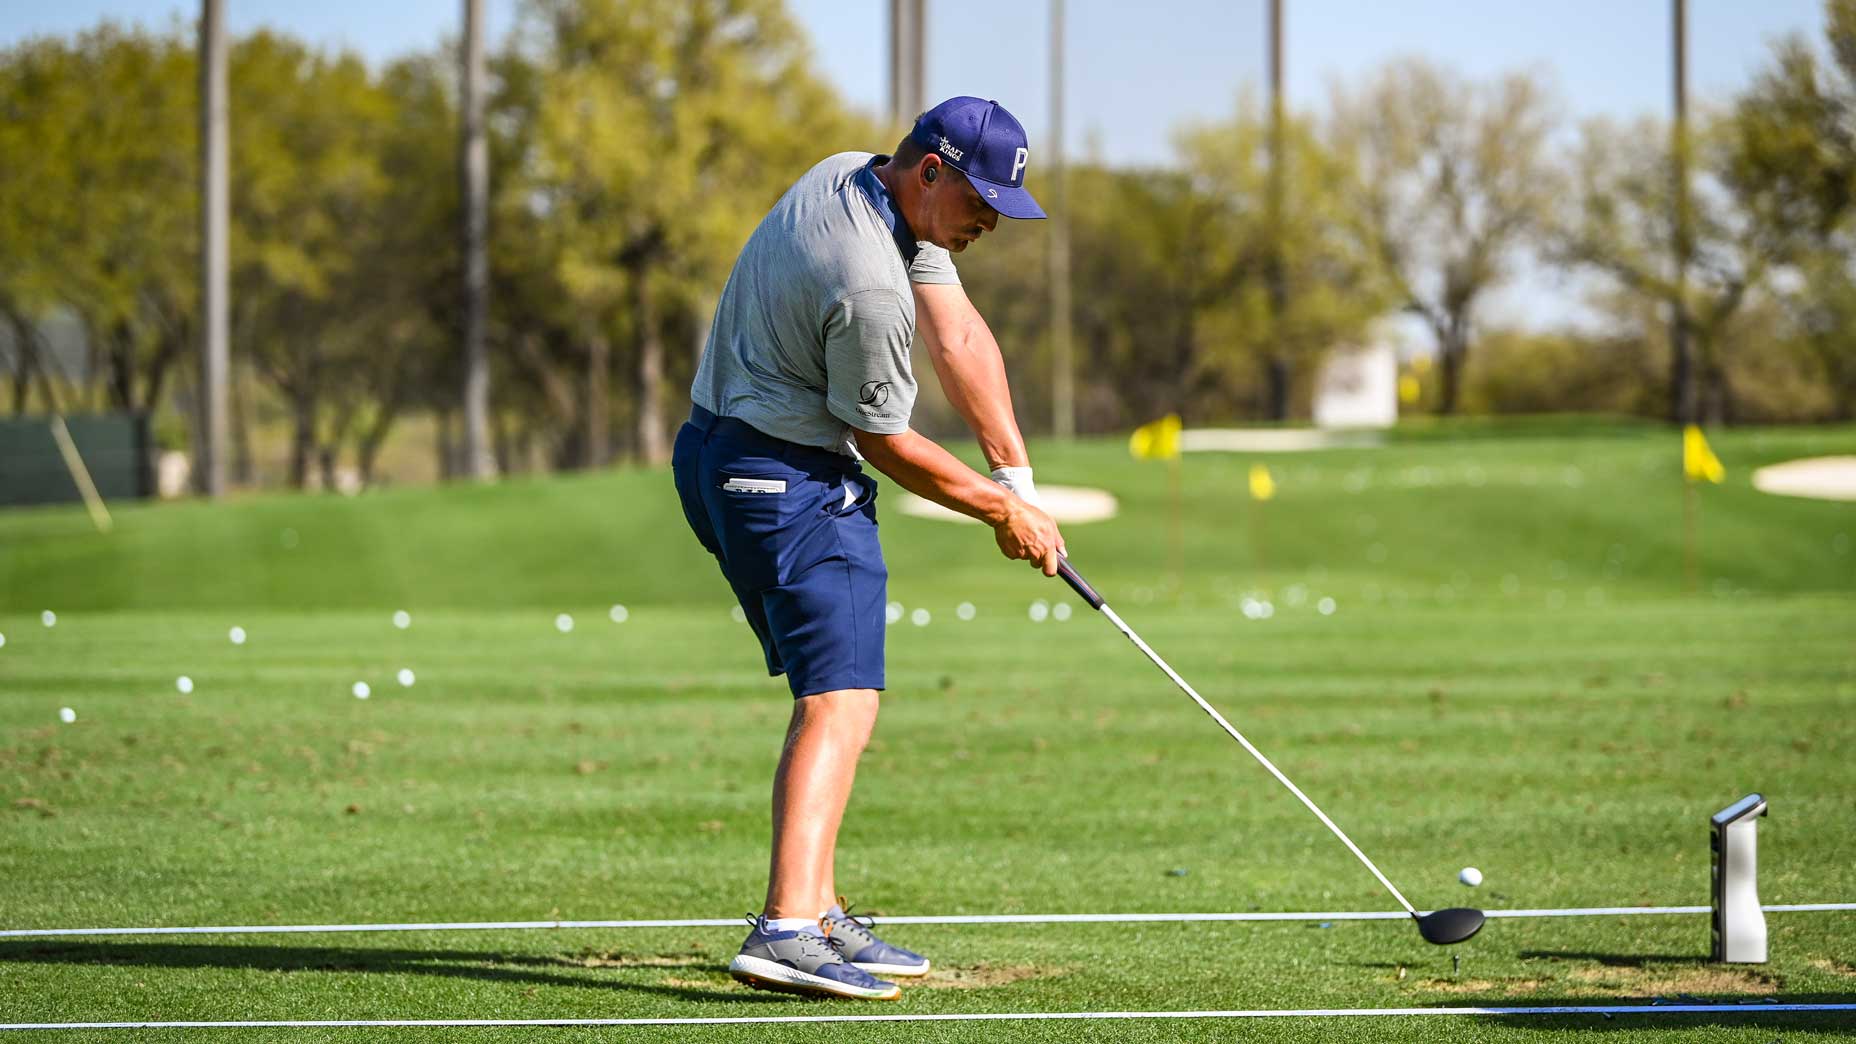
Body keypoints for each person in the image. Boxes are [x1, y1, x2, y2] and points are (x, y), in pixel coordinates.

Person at [672, 96, 1065, 1001]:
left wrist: (1021, 484)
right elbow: (886, 441)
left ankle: (817, 904)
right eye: (980, 204)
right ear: (931, 170)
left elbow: (960, 333)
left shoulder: (854, 174)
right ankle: (786, 928)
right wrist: (999, 516)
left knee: (834, 689)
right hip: (787, 479)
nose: (987, 225)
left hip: (721, 454)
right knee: (840, 699)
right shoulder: (869, 286)